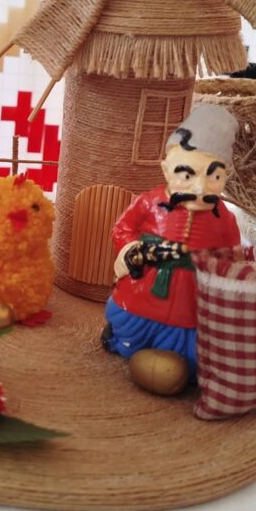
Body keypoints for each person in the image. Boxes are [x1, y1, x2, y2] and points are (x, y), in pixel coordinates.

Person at [102, 103, 241, 391]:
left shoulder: (224, 218)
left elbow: (233, 255)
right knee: (128, 332)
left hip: (190, 303)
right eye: (187, 176)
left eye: (213, 177)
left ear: (226, 175)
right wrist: (132, 249)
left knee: (189, 358)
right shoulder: (148, 202)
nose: (199, 189)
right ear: (166, 170)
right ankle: (126, 338)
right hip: (143, 291)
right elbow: (122, 229)